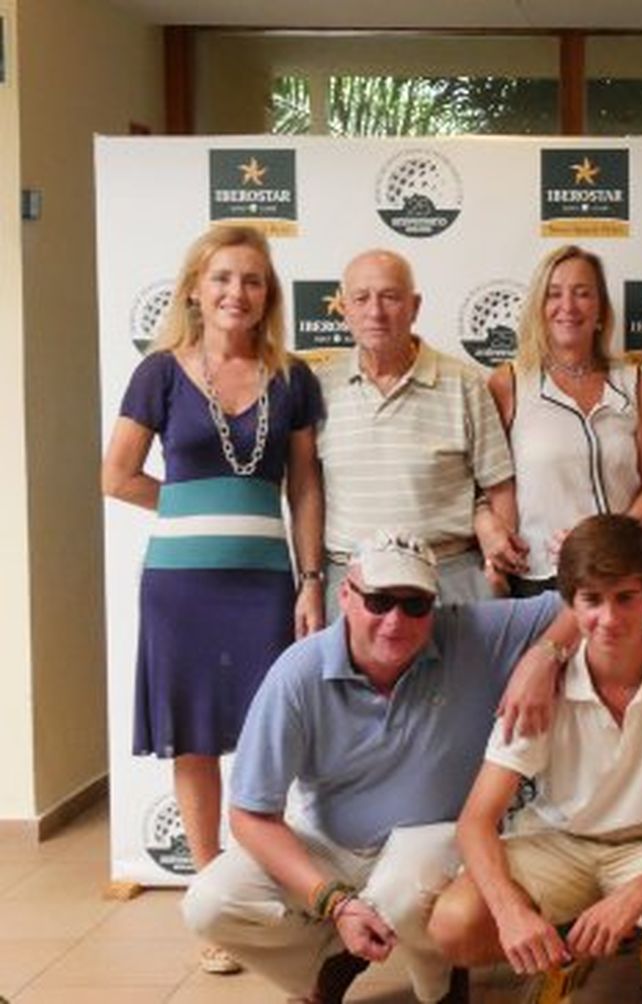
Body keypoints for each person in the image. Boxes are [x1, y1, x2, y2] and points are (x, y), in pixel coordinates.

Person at [181, 532, 577, 1004]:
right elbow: (250, 815)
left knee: (399, 892)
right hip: (330, 839)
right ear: (345, 595)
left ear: (435, 603)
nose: (395, 621)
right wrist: (333, 900)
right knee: (209, 903)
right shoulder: (297, 674)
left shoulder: (472, 631)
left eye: (415, 605)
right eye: (379, 601)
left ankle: (440, 988)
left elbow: (585, 601)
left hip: (433, 838)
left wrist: (543, 655)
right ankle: (325, 968)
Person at [101, 224, 324, 976]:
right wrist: (193, 507)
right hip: (180, 590)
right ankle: (213, 900)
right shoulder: (159, 374)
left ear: (269, 296)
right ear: (196, 287)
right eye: (223, 277)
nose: (238, 293)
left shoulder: (292, 376)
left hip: (265, 585)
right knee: (195, 742)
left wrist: (312, 577)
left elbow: (305, 486)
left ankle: (280, 886)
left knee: (273, 738)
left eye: (253, 280)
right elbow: (118, 474)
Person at [427, 514, 642, 1003]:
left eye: (626, 598)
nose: (610, 619)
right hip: (561, 842)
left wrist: (633, 897)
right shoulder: (540, 685)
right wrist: (511, 912)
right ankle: (563, 956)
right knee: (455, 925)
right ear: (571, 603)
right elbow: (476, 820)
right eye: (592, 600)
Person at [315, 249, 518, 605]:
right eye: (361, 299)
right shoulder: (318, 386)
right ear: (344, 309)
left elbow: (499, 486)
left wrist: (497, 571)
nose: (375, 312)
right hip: (351, 584)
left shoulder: (464, 383)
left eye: (390, 297)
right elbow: (306, 495)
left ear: (415, 306)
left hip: (450, 579)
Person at [486, 244, 642, 596]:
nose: (567, 307)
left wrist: (609, 538)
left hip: (626, 575)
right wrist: (490, 540)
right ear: (539, 307)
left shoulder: (635, 382)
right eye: (554, 294)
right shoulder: (508, 383)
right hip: (540, 578)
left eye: (582, 293)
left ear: (600, 308)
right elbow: (485, 487)